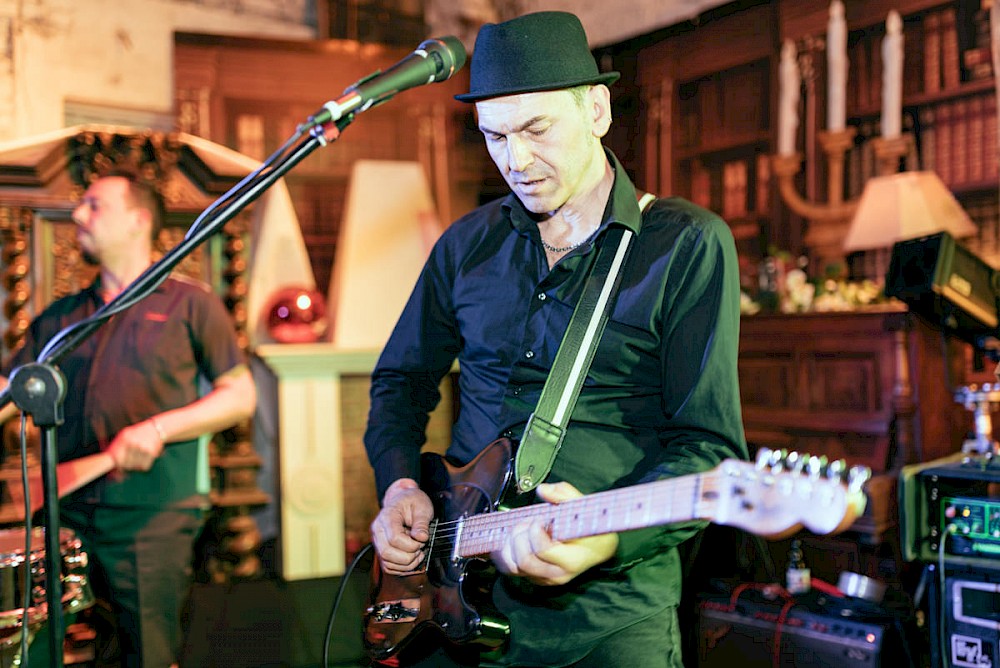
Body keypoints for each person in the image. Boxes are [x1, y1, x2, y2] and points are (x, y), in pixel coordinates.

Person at [364, 10, 747, 668]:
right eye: (495, 136)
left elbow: (707, 447)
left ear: (596, 109)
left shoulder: (684, 244)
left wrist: (605, 541)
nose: (516, 160)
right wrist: (400, 487)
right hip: (447, 605)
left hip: (608, 618)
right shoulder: (466, 245)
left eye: (537, 130)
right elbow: (401, 381)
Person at [0, 170, 257, 667]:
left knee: (146, 654)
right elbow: (12, 390)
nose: (78, 215)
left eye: (95, 205)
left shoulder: (191, 304)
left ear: (138, 221)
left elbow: (240, 396)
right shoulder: (62, 316)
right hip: (63, 514)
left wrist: (158, 429)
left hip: (151, 517)